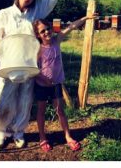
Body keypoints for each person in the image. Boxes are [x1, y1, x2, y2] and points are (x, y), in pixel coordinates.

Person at [0, 0, 65, 149]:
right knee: (4, 102)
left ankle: (19, 132)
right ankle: (1, 134)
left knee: (25, 102)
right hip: (8, 67)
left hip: (29, 67)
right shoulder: (4, 14)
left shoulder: (37, 12)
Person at [33, 16, 93, 152]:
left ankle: (68, 136)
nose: (47, 32)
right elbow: (32, 68)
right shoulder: (37, 49)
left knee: (60, 110)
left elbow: (71, 27)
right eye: (43, 31)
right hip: (42, 86)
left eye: (48, 29)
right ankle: (42, 138)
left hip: (56, 84)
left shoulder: (56, 40)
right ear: (38, 34)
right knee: (41, 111)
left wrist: (86, 18)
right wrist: (42, 79)